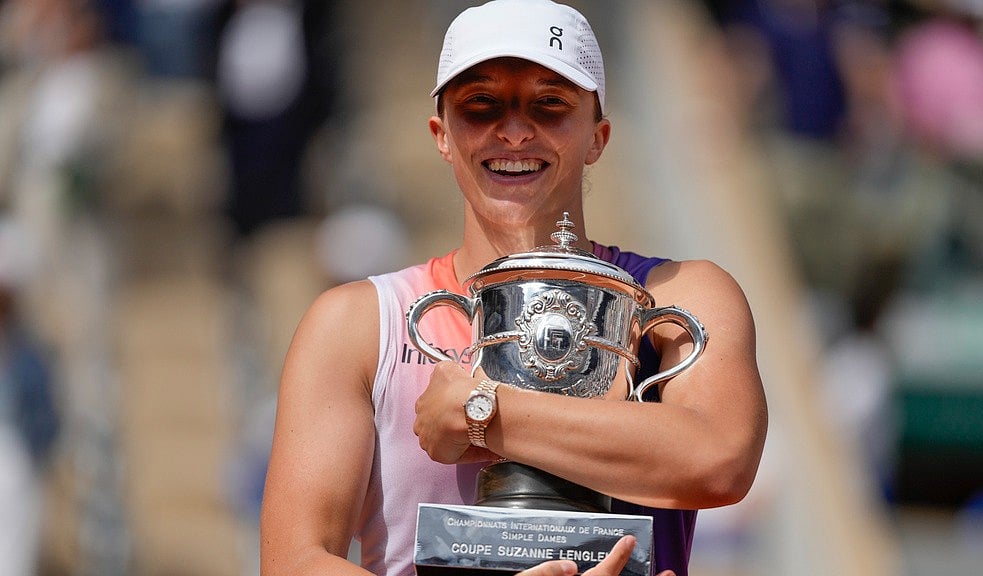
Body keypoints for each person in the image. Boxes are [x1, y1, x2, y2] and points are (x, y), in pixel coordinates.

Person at [259, 1, 768, 575]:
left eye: (549, 105)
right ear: (442, 134)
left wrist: (484, 412)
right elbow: (294, 560)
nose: (515, 130)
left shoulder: (680, 294)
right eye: (481, 105)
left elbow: (720, 459)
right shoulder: (356, 324)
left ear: (597, 136)